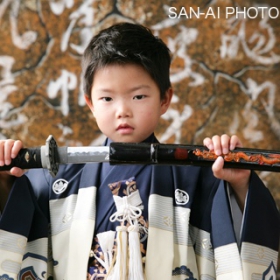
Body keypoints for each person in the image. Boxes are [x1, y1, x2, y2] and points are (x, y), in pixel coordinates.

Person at [0, 22, 279, 280]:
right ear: (90, 103)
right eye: (107, 98)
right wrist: (5, 179)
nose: (122, 111)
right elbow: (18, 228)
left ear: (165, 99)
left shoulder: (194, 174)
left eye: (138, 96)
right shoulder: (58, 177)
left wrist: (239, 181)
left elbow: (236, 240)